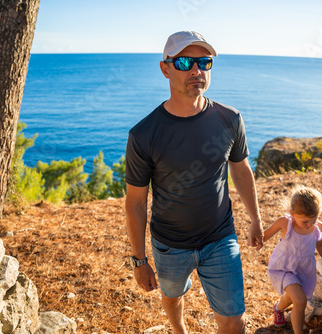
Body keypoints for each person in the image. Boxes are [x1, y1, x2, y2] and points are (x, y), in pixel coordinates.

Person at [124, 31, 264, 334]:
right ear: (165, 68)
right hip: (169, 245)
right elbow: (136, 202)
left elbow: (240, 171)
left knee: (233, 319)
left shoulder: (230, 119)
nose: (196, 70)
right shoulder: (144, 134)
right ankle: (178, 330)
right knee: (173, 296)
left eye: (204, 62)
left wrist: (255, 218)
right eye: (185, 61)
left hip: (221, 238)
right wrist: (139, 260)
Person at [263, 185, 322, 334]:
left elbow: (320, 246)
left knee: (291, 298)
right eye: (305, 222)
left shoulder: (318, 227)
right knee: (300, 301)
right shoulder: (285, 223)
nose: (310, 225)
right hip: (284, 268)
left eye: (313, 220)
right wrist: (256, 240)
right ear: (292, 213)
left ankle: (278, 308)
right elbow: (264, 235)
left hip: (303, 270)